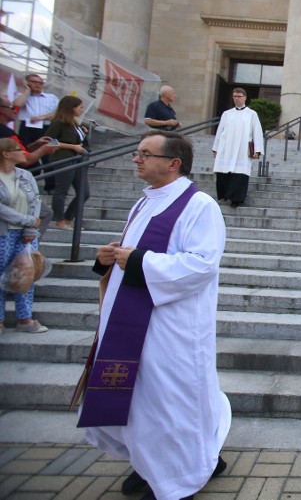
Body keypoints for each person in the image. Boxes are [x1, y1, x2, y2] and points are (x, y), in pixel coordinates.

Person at [78, 131, 230, 500]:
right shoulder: (144, 203)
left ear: (173, 163)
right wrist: (108, 258)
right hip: (133, 322)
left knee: (169, 400)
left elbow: (202, 264)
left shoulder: (199, 206)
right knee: (143, 399)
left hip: (171, 325)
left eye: (145, 154)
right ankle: (150, 465)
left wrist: (140, 260)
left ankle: (179, 477)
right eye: (137, 152)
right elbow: (132, 254)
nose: (136, 159)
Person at [0, 138, 46, 334]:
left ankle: (25, 318)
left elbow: (35, 200)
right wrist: (27, 220)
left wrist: (30, 228)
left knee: (26, 276)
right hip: (4, 232)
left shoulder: (25, 175)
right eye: (19, 149)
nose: (24, 152)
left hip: (25, 234)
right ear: (6, 154)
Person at [211, 88, 264, 208]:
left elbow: (257, 132)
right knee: (223, 171)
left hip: (242, 149)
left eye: (239, 96)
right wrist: (216, 148)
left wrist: (257, 150)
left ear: (245, 97)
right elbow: (220, 131)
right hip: (226, 147)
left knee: (239, 174)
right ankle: (225, 195)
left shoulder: (252, 114)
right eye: (234, 96)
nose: (237, 99)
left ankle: (236, 199)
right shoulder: (227, 114)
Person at [45, 96, 91, 230]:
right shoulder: (59, 122)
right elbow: (49, 140)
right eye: (80, 107)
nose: (82, 110)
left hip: (76, 160)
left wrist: (82, 134)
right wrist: (72, 147)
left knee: (84, 192)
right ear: (72, 108)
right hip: (63, 159)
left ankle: (68, 217)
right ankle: (59, 220)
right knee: (61, 190)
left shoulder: (74, 123)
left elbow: (78, 141)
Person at [14, 74, 58, 193]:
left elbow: (57, 113)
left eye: (40, 82)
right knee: (25, 153)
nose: (37, 85)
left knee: (49, 155)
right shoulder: (21, 95)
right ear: (27, 82)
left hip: (46, 127)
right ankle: (24, 182)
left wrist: (41, 118)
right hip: (27, 128)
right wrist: (27, 90)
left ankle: (51, 186)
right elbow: (17, 106)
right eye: (33, 82)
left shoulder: (51, 97)